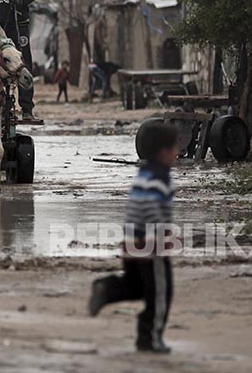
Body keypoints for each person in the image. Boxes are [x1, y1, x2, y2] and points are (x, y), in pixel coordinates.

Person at [88, 122, 179, 354]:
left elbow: (134, 207)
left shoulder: (143, 175)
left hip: (131, 240)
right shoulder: (160, 179)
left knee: (137, 286)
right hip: (150, 244)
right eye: (174, 149)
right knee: (160, 292)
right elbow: (151, 209)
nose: (177, 153)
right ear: (163, 152)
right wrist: (158, 236)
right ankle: (150, 338)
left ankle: (107, 289)